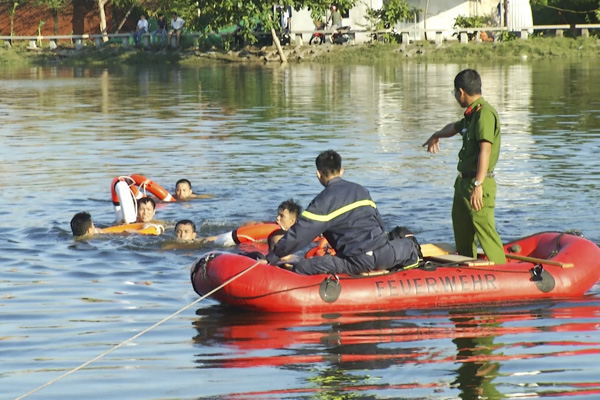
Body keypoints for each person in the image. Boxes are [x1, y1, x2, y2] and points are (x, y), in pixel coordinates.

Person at [266, 150, 420, 275]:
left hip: (357, 261)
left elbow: (300, 234)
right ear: (341, 171)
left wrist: (273, 256)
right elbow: (379, 224)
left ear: (318, 174)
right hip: (384, 254)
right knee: (408, 244)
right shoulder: (362, 191)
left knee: (302, 267)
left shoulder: (322, 202)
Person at [422, 69, 506, 265]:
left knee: (484, 230)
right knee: (462, 230)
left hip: (478, 182)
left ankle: (502, 270)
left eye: (455, 94)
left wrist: (478, 184)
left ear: (461, 92)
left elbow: (485, 150)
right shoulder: (472, 114)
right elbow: (454, 127)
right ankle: (468, 269)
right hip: (463, 182)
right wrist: (436, 134)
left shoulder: (485, 114)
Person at [204, 199, 302, 246]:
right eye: (277, 215)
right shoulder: (269, 226)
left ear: (292, 221)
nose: (277, 218)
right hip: (240, 234)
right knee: (212, 239)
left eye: (281, 216)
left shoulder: (296, 235)